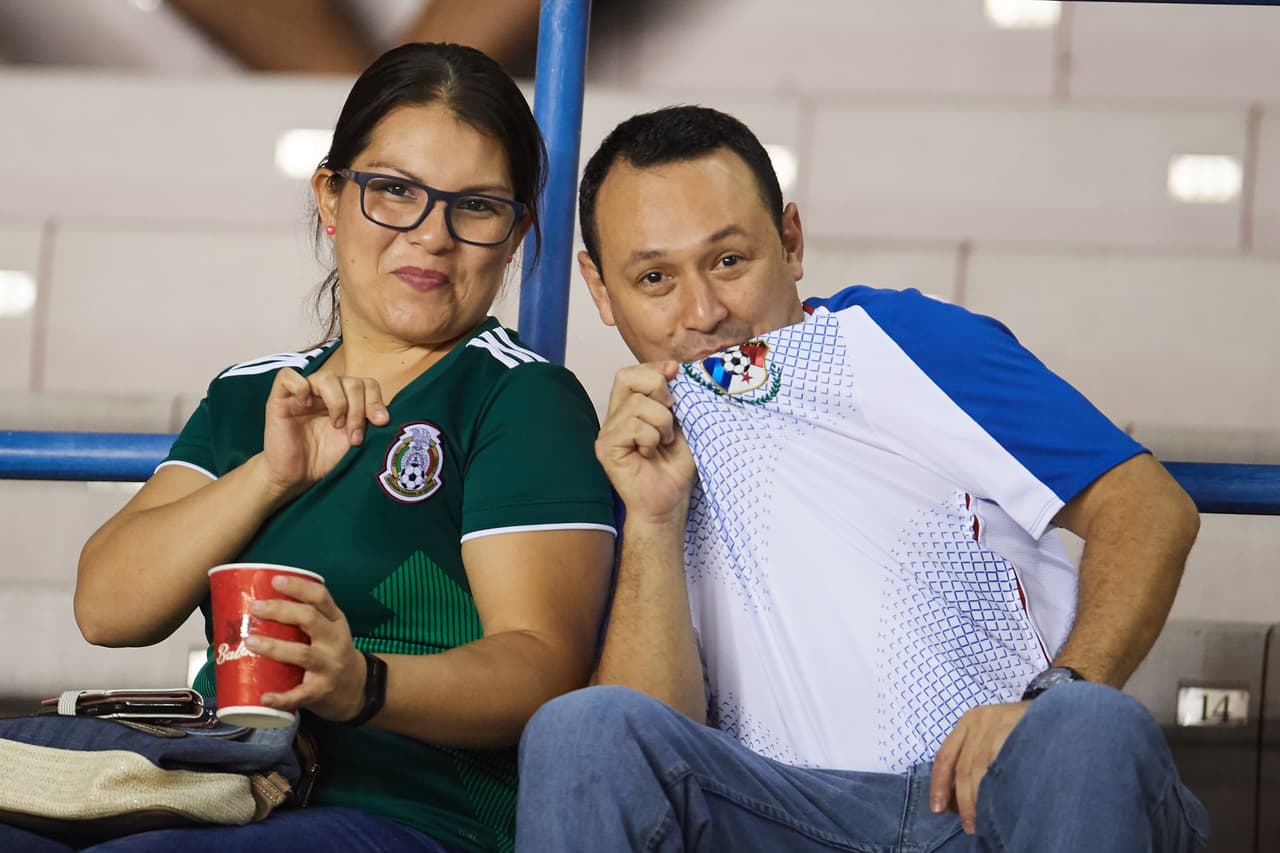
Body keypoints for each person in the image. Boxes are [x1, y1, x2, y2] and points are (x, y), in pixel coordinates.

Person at [514, 105, 1209, 852]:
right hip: (785, 820)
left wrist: (1058, 695)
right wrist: (651, 519)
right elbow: (644, 737)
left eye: (728, 261)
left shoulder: (902, 339)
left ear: (790, 240)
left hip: (999, 798)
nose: (705, 311)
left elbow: (1148, 507)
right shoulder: (637, 448)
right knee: (579, 729)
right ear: (600, 288)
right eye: (655, 278)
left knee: (1088, 726)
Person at [0, 43, 616, 853]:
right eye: (394, 191)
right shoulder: (252, 395)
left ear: (514, 236)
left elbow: (544, 666)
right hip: (212, 789)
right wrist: (269, 475)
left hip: (417, 816)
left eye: (475, 206)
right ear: (331, 197)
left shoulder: (518, 398)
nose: (431, 235)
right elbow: (108, 606)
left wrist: (362, 683)